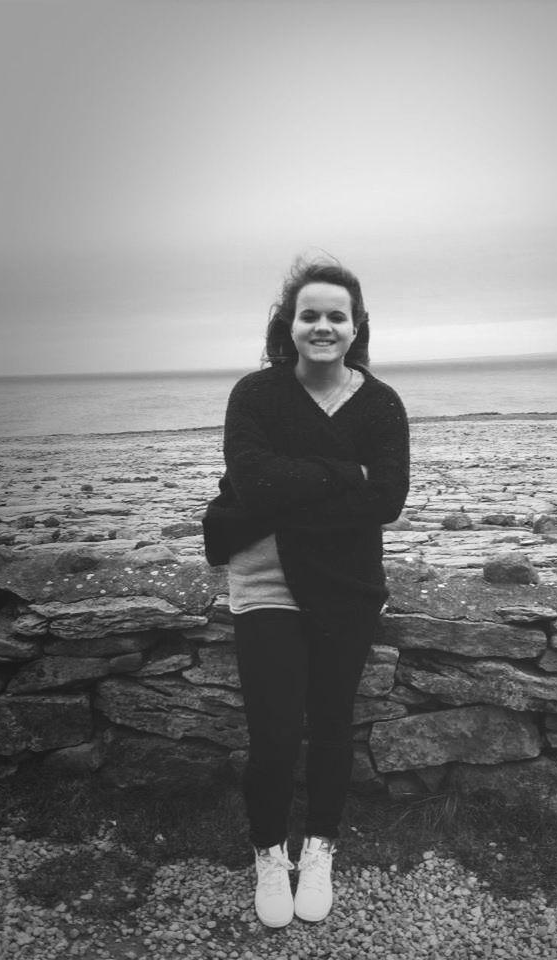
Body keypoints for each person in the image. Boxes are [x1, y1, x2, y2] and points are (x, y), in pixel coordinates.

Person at [202, 256, 410, 928]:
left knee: (328, 726)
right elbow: (252, 480)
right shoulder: (254, 396)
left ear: (356, 330)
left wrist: (296, 490)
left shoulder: (380, 405)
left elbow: (387, 499)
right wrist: (339, 471)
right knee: (272, 732)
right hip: (264, 582)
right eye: (309, 314)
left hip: (346, 587)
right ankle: (269, 852)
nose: (323, 325)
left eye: (336, 316)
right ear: (289, 326)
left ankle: (318, 847)